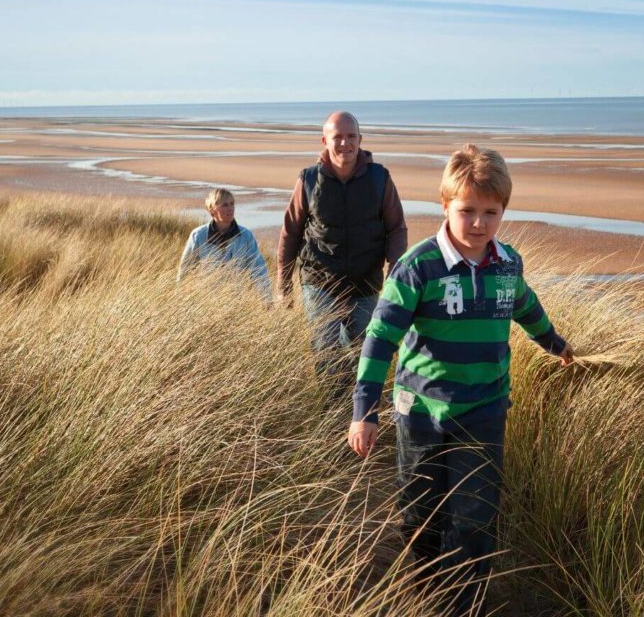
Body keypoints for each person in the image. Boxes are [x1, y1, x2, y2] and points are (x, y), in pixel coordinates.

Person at [346, 144, 574, 615]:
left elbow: (525, 306)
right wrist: (363, 411)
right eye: (467, 210)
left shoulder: (508, 263)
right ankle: (426, 591)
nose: (478, 223)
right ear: (445, 206)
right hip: (421, 413)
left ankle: (461, 604)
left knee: (475, 518)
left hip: (485, 409)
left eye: (491, 212)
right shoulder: (418, 267)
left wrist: (553, 343)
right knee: (422, 516)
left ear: (503, 211)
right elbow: (380, 338)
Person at [277, 111, 407, 389]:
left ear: (360, 140)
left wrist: (395, 274)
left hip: (365, 284)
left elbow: (396, 228)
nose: (344, 143)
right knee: (327, 354)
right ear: (325, 141)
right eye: (337, 137)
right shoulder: (309, 180)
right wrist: (283, 285)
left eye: (351, 137)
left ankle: (359, 413)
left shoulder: (379, 178)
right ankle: (331, 417)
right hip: (319, 282)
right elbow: (290, 232)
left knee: (366, 354)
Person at [177, 188, 271, 299]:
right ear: (212, 210)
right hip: (205, 301)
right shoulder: (198, 235)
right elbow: (185, 270)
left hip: (236, 300)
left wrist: (267, 299)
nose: (230, 209)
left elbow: (259, 269)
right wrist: (180, 297)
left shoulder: (246, 236)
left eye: (232, 204)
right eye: (225, 205)